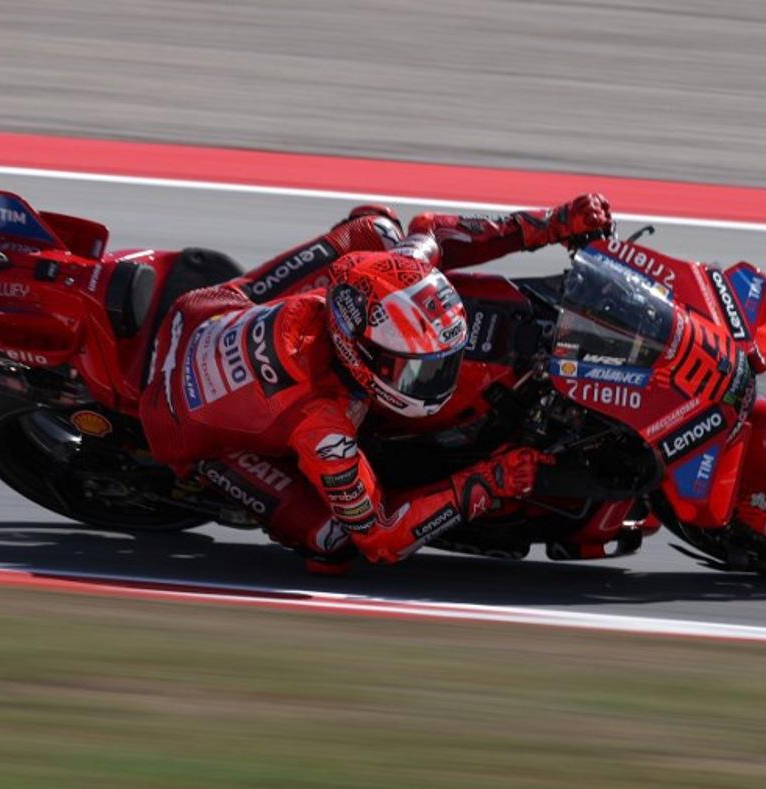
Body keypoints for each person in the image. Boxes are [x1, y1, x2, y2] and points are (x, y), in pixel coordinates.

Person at [138, 194, 613, 572]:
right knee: (335, 540)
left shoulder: (368, 294)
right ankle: (210, 475)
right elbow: (382, 539)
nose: (435, 380)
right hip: (174, 421)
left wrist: (553, 223)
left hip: (207, 307)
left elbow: (431, 231)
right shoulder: (324, 427)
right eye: (418, 371)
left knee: (377, 228)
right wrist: (488, 481)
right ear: (362, 355)